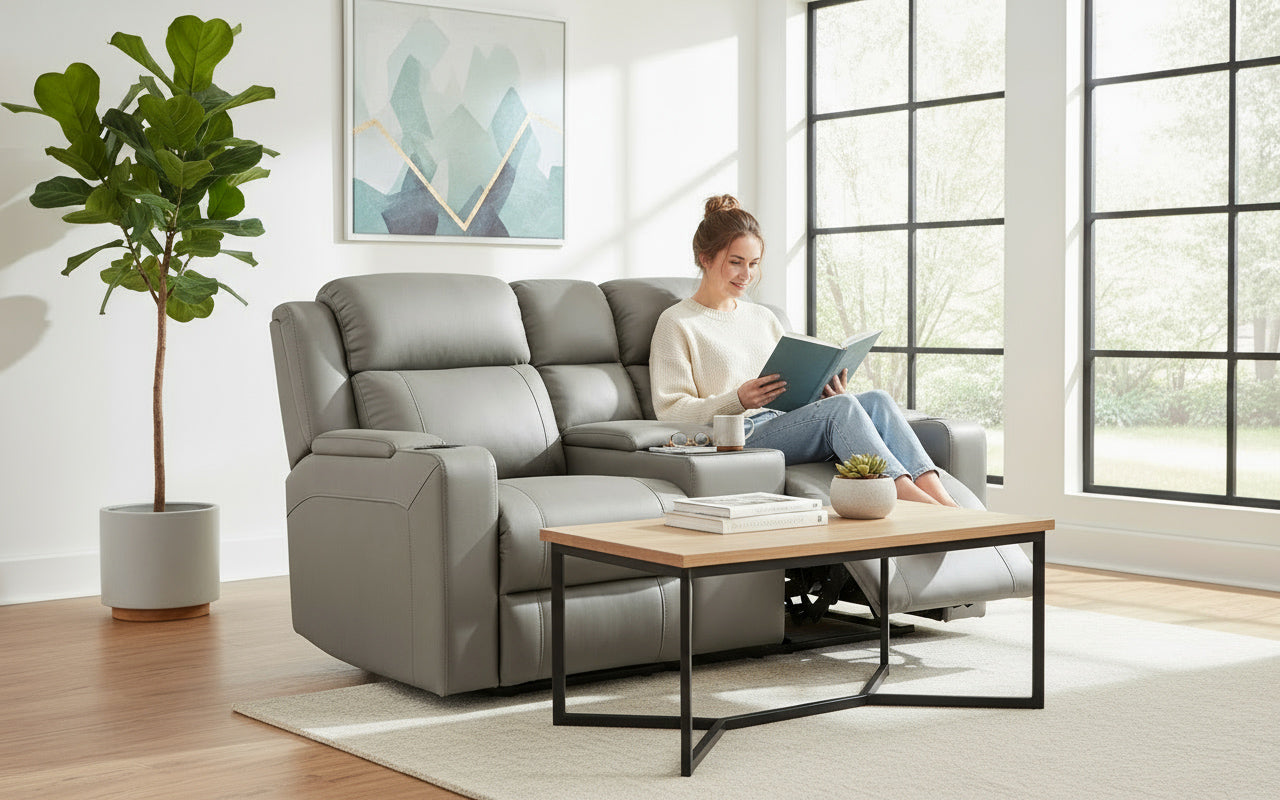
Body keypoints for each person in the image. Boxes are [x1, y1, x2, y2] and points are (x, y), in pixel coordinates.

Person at [649, 194, 959, 507]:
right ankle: (917, 504)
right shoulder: (677, 322)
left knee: (876, 400)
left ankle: (945, 502)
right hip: (741, 433)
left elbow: (788, 385)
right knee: (842, 410)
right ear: (705, 258)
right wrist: (738, 399)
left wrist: (824, 392)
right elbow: (671, 411)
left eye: (753, 264)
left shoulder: (762, 317)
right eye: (736, 263)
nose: (747, 275)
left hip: (786, 421)